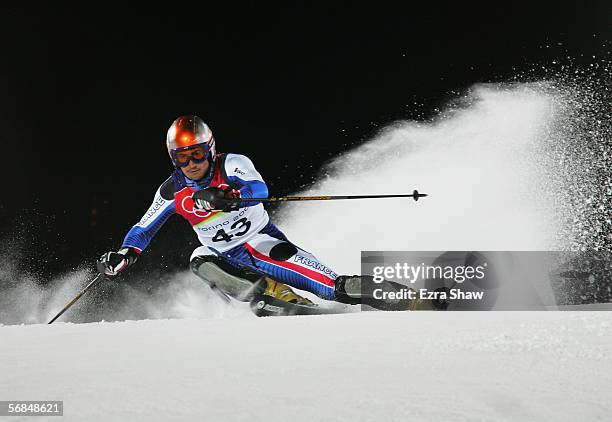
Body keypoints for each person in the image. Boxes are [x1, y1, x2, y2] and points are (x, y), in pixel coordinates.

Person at [98, 115, 422, 315]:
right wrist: (124, 254)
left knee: (334, 287)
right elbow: (143, 229)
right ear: (174, 160)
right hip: (224, 255)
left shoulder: (231, 164)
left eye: (197, 153)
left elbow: (259, 189)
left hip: (261, 243)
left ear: (210, 149)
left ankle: (412, 299)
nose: (192, 163)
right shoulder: (171, 191)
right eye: (183, 158)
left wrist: (229, 195)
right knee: (200, 258)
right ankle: (268, 292)